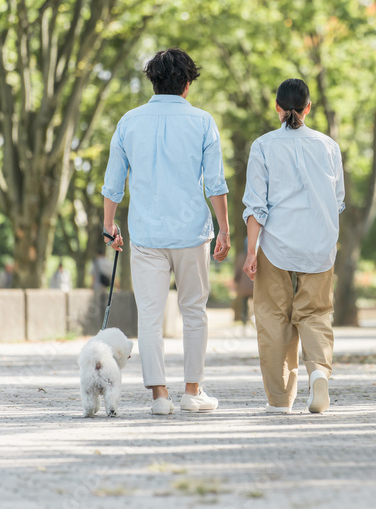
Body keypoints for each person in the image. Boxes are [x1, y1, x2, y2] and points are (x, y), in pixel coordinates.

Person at [101, 48, 231, 416]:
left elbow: (113, 182)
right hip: (192, 233)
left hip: (146, 235)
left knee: (150, 315)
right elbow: (215, 184)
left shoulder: (129, 121)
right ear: (187, 84)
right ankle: (193, 391)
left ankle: (159, 396)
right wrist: (224, 230)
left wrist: (110, 225)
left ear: (153, 81)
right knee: (195, 312)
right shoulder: (203, 122)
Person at [242, 78, 345, 414]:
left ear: (277, 107)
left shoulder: (263, 146)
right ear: (308, 107)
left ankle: (280, 401)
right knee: (316, 314)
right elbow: (338, 200)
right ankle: (318, 373)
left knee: (273, 318)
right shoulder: (328, 146)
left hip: (276, 246)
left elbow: (257, 206)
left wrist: (250, 251)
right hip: (320, 245)